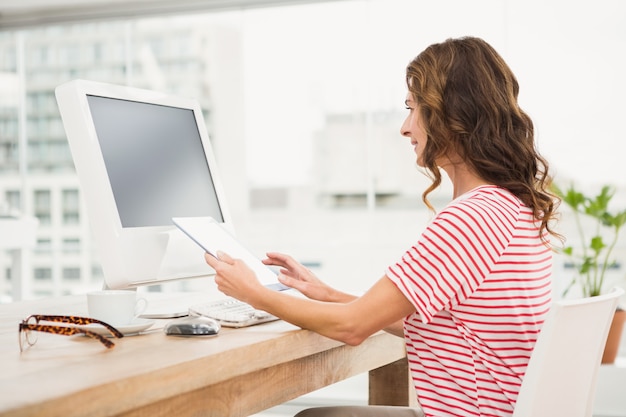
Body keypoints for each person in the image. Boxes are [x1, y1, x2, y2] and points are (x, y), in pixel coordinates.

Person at [204, 36, 560, 417]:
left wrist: (254, 294)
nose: (406, 128)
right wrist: (326, 294)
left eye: (414, 109)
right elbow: (439, 328)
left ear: (454, 113)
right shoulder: (513, 208)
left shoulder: (469, 218)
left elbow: (352, 329)